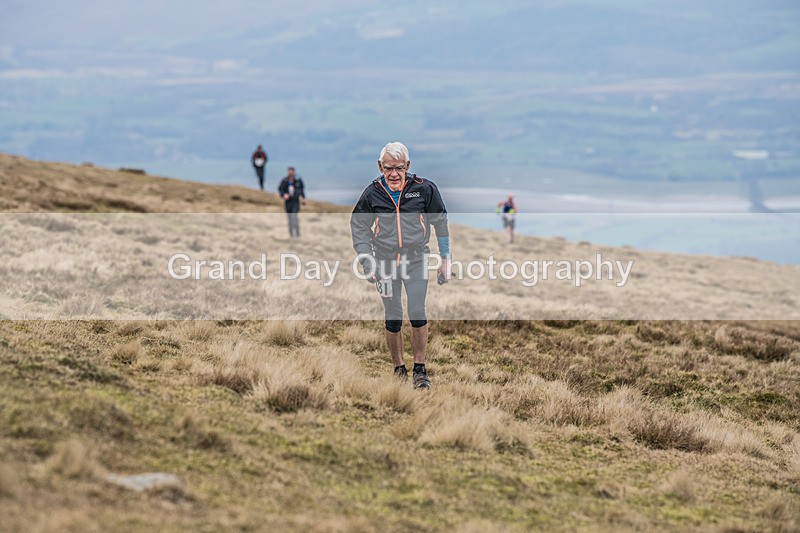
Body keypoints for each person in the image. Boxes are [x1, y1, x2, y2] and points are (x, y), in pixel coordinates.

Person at [350, 142, 450, 389]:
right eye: (388, 168)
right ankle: (399, 368)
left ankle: (420, 370)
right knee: (393, 316)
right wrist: (367, 260)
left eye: (399, 168)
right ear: (380, 167)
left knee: (417, 311)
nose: (393, 174)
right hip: (384, 261)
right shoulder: (372, 193)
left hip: (416, 259)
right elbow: (359, 227)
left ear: (407, 166)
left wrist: (445, 259)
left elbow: (440, 223)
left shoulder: (424, 189)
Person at [278, 167, 306, 238]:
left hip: (295, 201)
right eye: (289, 172)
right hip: (288, 202)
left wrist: (303, 198)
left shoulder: (298, 180)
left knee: (294, 216)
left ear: (294, 172)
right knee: (290, 218)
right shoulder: (285, 180)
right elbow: (280, 189)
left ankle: (297, 234)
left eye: (292, 172)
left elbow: (301, 190)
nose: (290, 173)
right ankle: (291, 234)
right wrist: (284, 195)